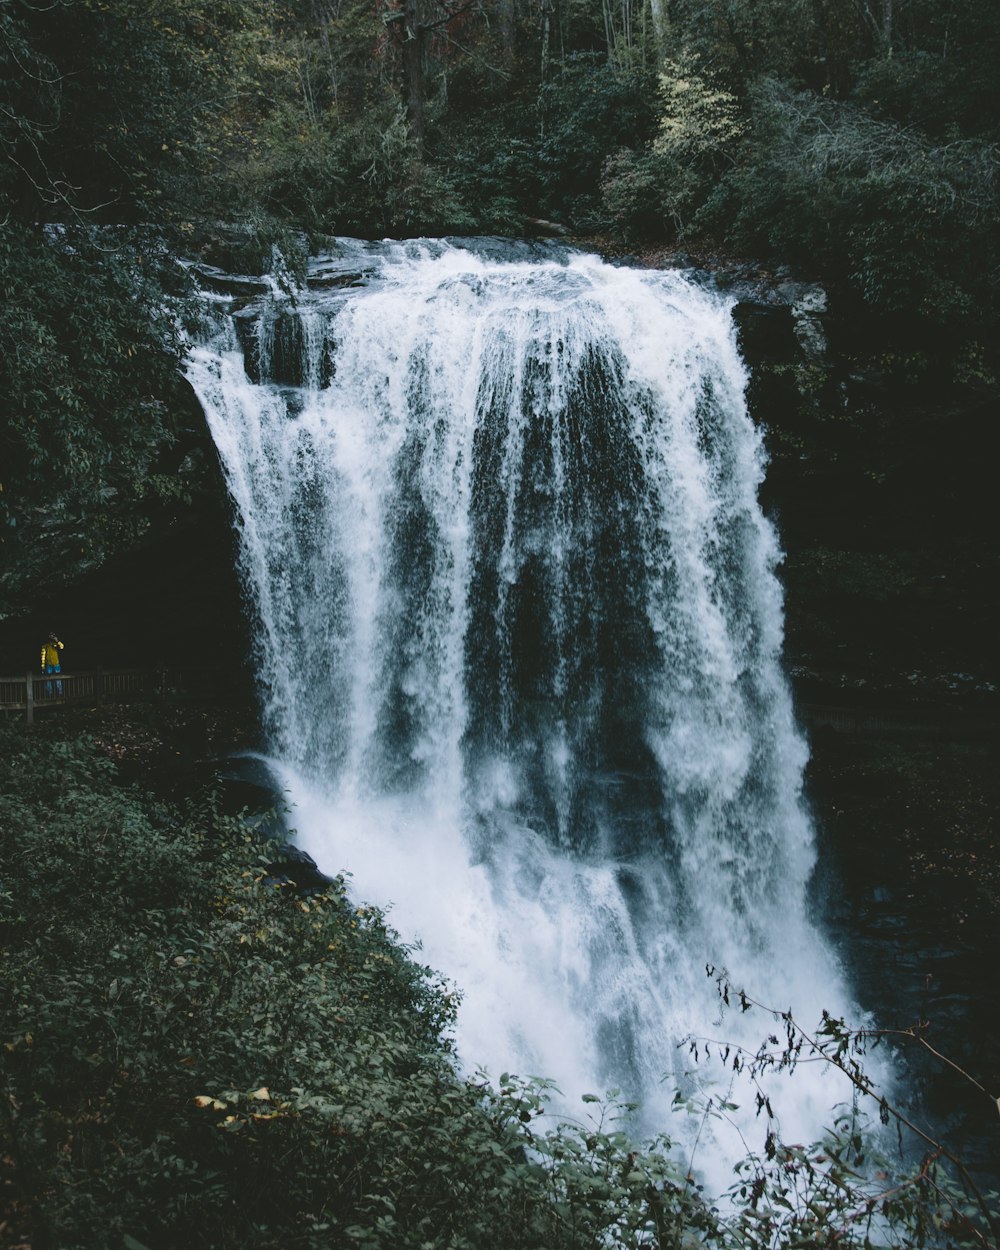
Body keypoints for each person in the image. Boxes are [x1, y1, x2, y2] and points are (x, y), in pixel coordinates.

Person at [41, 631, 64, 697]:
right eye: (50, 635)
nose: (51, 637)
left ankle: (60, 694)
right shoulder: (45, 645)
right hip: (49, 665)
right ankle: (49, 694)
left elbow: (62, 647)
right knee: (48, 680)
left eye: (52, 635)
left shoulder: (56, 644)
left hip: (56, 664)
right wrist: (42, 666)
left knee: (58, 679)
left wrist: (57, 641)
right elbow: (43, 656)